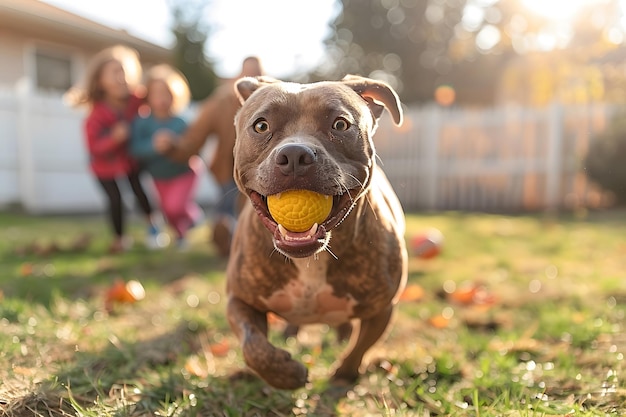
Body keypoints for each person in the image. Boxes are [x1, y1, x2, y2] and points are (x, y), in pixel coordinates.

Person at [154, 56, 264, 257]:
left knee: (255, 210)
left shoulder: (276, 98)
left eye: (258, 73)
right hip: (229, 169)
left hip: (263, 171)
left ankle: (250, 243)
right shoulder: (221, 101)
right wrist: (173, 146)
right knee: (228, 206)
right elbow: (195, 137)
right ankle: (226, 237)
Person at [67, 45, 163, 253]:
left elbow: (157, 95)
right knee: (115, 199)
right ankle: (120, 238)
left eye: (125, 71)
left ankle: (154, 227)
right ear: (100, 80)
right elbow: (94, 147)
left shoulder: (136, 99)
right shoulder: (96, 114)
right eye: (115, 72)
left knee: (140, 191)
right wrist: (113, 138)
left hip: (130, 160)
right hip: (103, 167)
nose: (122, 77)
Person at [130, 65, 203, 250]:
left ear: (176, 95)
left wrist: (175, 144)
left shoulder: (181, 122)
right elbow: (135, 149)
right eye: (157, 94)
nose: (162, 99)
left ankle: (191, 217)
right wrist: (153, 146)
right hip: (159, 176)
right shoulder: (142, 124)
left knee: (175, 207)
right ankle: (182, 233)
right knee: (168, 211)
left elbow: (194, 148)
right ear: (148, 97)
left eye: (167, 93)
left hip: (184, 172)